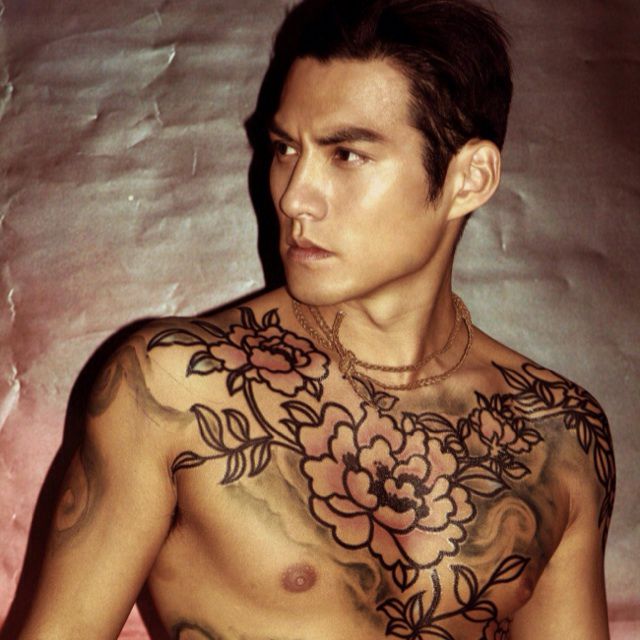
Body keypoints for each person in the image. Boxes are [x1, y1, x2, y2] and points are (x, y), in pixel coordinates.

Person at [16, 0, 615, 638]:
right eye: (284, 149)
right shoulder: (177, 386)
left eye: (346, 155)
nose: (294, 196)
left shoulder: (558, 434)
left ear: (469, 179)